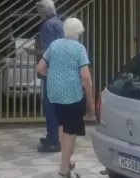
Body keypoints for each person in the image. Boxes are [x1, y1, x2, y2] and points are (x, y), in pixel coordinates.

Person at [35, 17, 94, 178]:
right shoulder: (79, 48)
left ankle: (66, 161)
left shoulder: (54, 45)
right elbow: (85, 76)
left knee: (62, 126)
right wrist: (90, 98)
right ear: (78, 33)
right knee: (71, 132)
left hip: (55, 95)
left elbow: (40, 68)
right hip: (72, 96)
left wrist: (52, 75)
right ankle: (64, 169)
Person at [26, 0, 65, 153]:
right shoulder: (60, 23)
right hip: (60, 69)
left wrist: (33, 52)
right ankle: (54, 138)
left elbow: (49, 50)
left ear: (42, 13)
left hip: (50, 71)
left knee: (50, 106)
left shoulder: (47, 26)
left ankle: (53, 141)